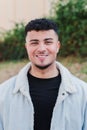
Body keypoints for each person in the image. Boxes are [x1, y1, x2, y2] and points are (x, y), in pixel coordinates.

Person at [0, 18, 87, 130]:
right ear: (26, 47)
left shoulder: (83, 94)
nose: (41, 49)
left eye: (48, 42)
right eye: (34, 43)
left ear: (57, 46)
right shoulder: (3, 94)